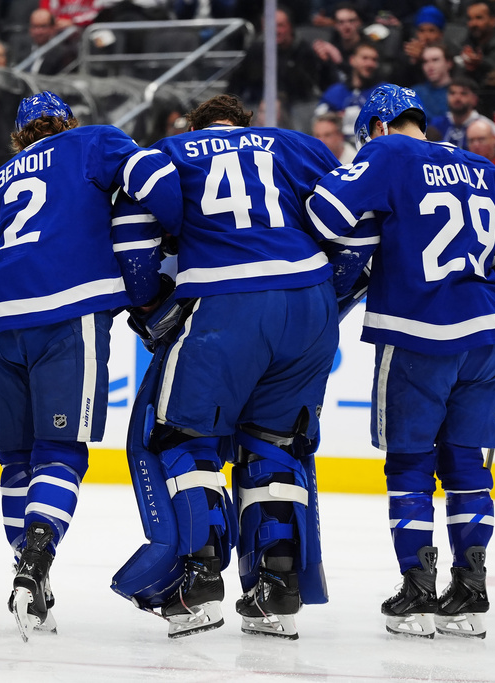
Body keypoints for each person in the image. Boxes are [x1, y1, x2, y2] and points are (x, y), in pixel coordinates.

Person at [0, 91, 181, 641]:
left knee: (17, 462)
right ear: (67, 123)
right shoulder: (94, 141)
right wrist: (181, 234)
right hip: (69, 313)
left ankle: (26, 576)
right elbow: (156, 179)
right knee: (59, 453)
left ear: (19, 136)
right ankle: (35, 562)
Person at [307, 84, 495, 639]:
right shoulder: (483, 167)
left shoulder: (386, 152)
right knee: (467, 467)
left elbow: (326, 217)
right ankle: (470, 590)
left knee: (409, 464)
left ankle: (417, 591)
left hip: (417, 336)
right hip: (487, 337)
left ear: (380, 128)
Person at [112, 93, 340, 640]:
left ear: (193, 127)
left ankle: (198, 577)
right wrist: (332, 297)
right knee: (274, 444)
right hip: (310, 303)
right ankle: (277, 590)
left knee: (180, 437)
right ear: (248, 124)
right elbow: (355, 227)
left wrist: (148, 306)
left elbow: (130, 235)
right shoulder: (295, 145)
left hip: (226, 302)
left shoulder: (171, 152)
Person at [315, 41, 381, 139]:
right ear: (352, 60)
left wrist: (346, 116)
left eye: (374, 60)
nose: (370, 64)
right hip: (339, 148)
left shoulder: (383, 92)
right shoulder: (336, 91)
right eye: (365, 58)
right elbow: (319, 116)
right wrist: (336, 116)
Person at [429, 76, 495, 149]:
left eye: (463, 93)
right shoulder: (436, 124)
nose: (457, 97)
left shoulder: (486, 127)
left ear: (474, 99)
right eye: (452, 93)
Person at [456, 0, 495, 85]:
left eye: (479, 18)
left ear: (493, 21)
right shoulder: (463, 42)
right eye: (470, 19)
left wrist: (480, 63)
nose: (473, 23)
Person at [414, 44, 454, 126]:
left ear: (449, 63)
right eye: (425, 62)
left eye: (435, 60)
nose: (430, 66)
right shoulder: (414, 94)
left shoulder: (459, 93)